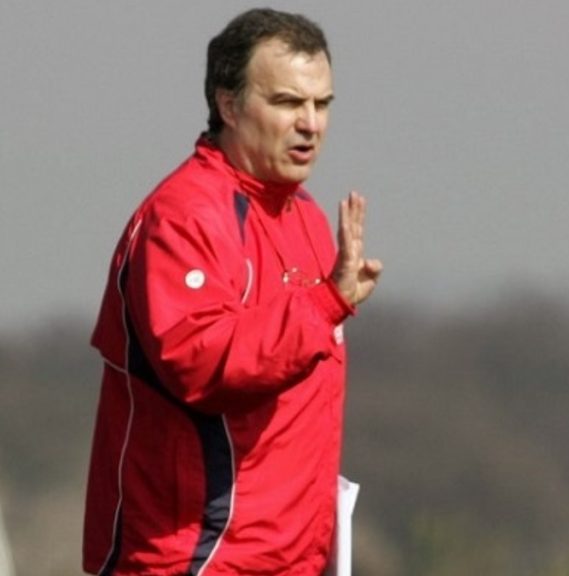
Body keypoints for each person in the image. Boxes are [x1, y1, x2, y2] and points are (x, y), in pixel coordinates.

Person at [83, 9, 381, 574]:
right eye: (288, 102)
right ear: (228, 104)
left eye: (322, 104)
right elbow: (203, 364)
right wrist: (326, 303)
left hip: (289, 558)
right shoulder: (185, 216)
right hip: (197, 557)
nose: (311, 124)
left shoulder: (306, 217)